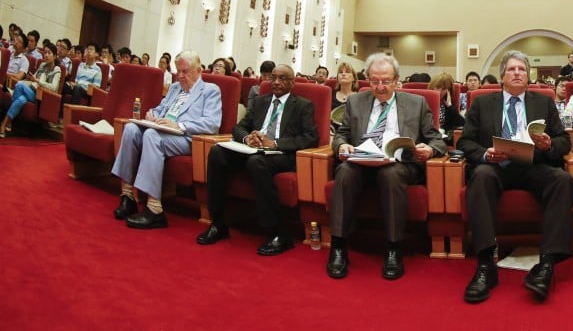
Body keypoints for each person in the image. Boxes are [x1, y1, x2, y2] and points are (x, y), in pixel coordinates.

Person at [458, 50, 573, 303]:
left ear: (528, 76)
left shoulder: (543, 102)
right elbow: (465, 141)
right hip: (496, 166)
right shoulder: (482, 103)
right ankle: (485, 263)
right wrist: (485, 154)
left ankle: (546, 264)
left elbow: (563, 141)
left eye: (522, 69)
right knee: (480, 176)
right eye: (511, 69)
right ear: (502, 76)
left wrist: (548, 146)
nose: (517, 73)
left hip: (533, 166)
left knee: (562, 180)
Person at [327, 53, 446, 280]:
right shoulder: (355, 101)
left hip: (399, 163)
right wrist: (343, 147)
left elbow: (437, 140)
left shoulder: (416, 103)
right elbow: (341, 136)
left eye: (386, 81)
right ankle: (338, 246)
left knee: (391, 175)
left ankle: (393, 248)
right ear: (367, 79)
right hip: (362, 161)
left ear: (397, 80)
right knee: (344, 172)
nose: (380, 87)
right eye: (374, 81)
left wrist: (430, 149)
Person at [197, 64, 318, 255]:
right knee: (216, 153)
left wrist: (275, 143)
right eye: (273, 78)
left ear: (292, 82)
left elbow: (310, 137)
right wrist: (247, 138)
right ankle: (218, 222)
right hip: (252, 149)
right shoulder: (261, 101)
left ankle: (278, 231)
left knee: (256, 163)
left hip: (280, 155)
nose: (276, 82)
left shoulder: (302, 105)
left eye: (283, 78)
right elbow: (239, 127)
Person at [112, 51, 222, 228]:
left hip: (186, 138)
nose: (180, 76)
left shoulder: (210, 91)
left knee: (151, 136)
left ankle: (155, 209)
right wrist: (152, 114)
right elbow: (161, 108)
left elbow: (212, 124)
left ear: (199, 70)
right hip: (161, 129)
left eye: (185, 71)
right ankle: (127, 197)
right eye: (178, 71)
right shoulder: (175, 88)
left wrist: (179, 126)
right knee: (131, 128)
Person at [2, 43, 62, 137]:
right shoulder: (42, 65)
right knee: (21, 99)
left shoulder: (57, 69)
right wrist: (31, 78)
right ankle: (6, 123)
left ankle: (8, 122)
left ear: (54, 56)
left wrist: (37, 81)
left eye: (49, 53)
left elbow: (53, 88)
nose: (46, 55)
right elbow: (34, 78)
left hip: (43, 97)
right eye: (45, 52)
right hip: (33, 91)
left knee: (20, 85)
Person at [428, 71, 464, 145]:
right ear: (432, 86)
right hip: (427, 136)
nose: (440, 91)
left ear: (448, 91)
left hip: (444, 139)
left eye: (444, 89)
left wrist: (450, 106)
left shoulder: (450, 106)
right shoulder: (424, 101)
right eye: (437, 87)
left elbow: (462, 125)